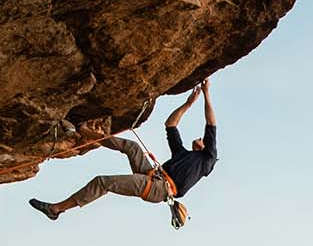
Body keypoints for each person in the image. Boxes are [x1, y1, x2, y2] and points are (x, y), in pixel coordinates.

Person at [29, 77, 217, 221]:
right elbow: (171, 124)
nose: (200, 138)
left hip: (158, 189)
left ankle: (56, 209)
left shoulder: (207, 158)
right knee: (132, 147)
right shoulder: (182, 154)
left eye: (203, 139)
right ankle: (85, 131)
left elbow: (210, 122)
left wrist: (206, 94)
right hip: (153, 175)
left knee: (103, 182)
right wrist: (188, 104)